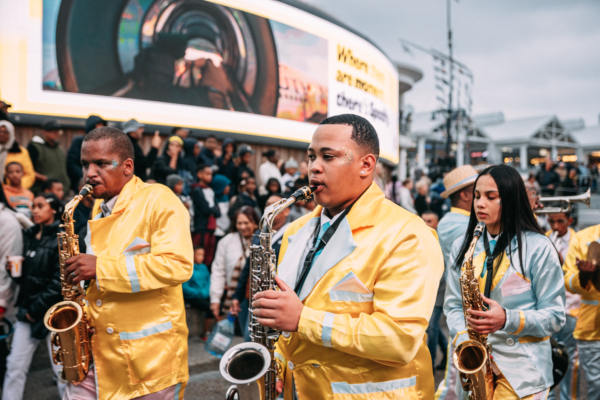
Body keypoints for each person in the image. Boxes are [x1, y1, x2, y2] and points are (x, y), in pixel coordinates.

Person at [252, 114, 443, 398]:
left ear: (366, 165)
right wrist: (278, 360)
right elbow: (288, 318)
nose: (313, 168)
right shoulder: (296, 229)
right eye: (311, 156)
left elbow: (400, 340)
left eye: (328, 157)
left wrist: (303, 319)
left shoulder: (408, 234)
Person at [62, 126, 192, 399]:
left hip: (151, 364)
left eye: (100, 163)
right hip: (97, 353)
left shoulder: (160, 199)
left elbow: (178, 265)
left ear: (127, 166)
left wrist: (100, 268)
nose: (90, 173)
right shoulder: (99, 207)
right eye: (86, 164)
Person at [444, 164, 565, 399]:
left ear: (510, 199)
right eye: (477, 196)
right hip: (476, 367)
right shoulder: (462, 245)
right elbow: (452, 306)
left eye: (491, 197)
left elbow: (555, 317)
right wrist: (468, 343)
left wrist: (507, 319)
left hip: (524, 370)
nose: (480, 203)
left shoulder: (539, 247)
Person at [2, 193, 66, 400]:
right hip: (29, 311)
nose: (34, 210)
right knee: (14, 366)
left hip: (52, 314)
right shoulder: (29, 235)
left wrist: (33, 312)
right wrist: (13, 271)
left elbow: (59, 282)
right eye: (32, 207)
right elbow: (28, 280)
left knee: (62, 371)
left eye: (39, 206)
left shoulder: (62, 237)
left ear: (54, 209)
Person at [433, 165, 478, 399]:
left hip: (472, 311)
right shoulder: (453, 223)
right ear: (465, 195)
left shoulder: (462, 220)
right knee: (454, 382)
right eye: (481, 193)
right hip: (460, 309)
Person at [231, 194, 290, 341]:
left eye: (274, 204)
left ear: (286, 210)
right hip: (253, 296)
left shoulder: (293, 233)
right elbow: (248, 267)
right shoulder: (258, 234)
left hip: (276, 298)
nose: (269, 207)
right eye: (267, 204)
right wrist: (237, 296)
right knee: (249, 340)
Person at [562, 220, 600, 400]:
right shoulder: (582, 237)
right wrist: (583, 276)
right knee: (597, 387)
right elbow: (568, 281)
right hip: (592, 330)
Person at [545, 211, 580, 400]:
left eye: (560, 221)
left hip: (570, 311)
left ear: (570, 221)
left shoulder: (578, 241)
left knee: (571, 363)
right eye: (551, 221)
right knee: (545, 359)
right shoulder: (544, 239)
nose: (555, 227)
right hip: (548, 311)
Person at [210, 206, 259, 319]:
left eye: (246, 223)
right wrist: (215, 299)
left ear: (256, 223)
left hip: (257, 297)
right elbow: (218, 271)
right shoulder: (226, 242)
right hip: (234, 298)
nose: (242, 227)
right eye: (239, 223)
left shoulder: (263, 241)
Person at [28, 119, 70, 195]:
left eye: (58, 131)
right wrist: (44, 178)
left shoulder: (59, 149)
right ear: (44, 132)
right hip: (42, 193)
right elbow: (27, 169)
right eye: (53, 131)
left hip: (62, 193)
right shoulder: (34, 147)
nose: (57, 134)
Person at [66, 115, 106, 193]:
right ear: (90, 128)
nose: (100, 132)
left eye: (102, 129)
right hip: (82, 184)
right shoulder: (80, 142)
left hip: (101, 184)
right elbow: (71, 163)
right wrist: (85, 177)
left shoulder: (105, 145)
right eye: (97, 128)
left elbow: (114, 162)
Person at [191, 164, 220, 267]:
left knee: (209, 253)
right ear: (199, 174)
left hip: (211, 227)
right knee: (199, 252)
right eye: (207, 174)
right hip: (202, 226)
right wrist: (212, 211)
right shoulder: (197, 190)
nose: (210, 176)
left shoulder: (210, 190)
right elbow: (205, 209)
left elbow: (218, 211)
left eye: (211, 174)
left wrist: (212, 211)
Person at [182, 247, 214, 340]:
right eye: (199, 254)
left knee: (218, 306)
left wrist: (205, 292)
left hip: (204, 294)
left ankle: (216, 333)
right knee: (209, 308)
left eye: (203, 255)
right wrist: (199, 293)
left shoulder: (203, 267)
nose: (202, 257)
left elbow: (209, 281)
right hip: (192, 296)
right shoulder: (187, 267)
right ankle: (204, 333)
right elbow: (184, 287)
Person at [1, 120, 35, 189]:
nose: (1, 134)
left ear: (11, 133)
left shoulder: (21, 152)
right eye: (0, 131)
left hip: (13, 191)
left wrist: (16, 186)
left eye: (5, 132)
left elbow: (30, 175)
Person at [211, 174, 232, 243]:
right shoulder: (212, 198)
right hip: (217, 232)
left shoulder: (226, 197)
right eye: (226, 186)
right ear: (220, 186)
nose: (228, 188)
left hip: (226, 230)